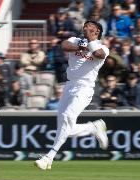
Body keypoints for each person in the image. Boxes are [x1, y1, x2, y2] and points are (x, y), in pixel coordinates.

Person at [35, 20, 109, 170]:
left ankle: (49, 157)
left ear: (97, 32)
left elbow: (98, 54)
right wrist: (81, 45)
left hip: (85, 87)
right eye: (85, 25)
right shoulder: (76, 40)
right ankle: (93, 128)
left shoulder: (103, 47)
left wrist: (90, 42)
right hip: (69, 86)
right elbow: (64, 45)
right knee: (63, 126)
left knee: (68, 117)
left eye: (90, 26)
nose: (85, 27)